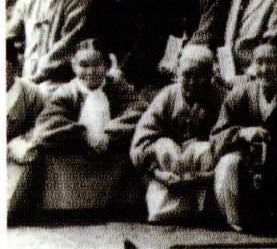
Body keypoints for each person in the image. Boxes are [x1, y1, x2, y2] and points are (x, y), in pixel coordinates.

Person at [211, 40, 277, 231]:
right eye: (259, 62)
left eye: (271, 62)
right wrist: (241, 133)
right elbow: (216, 137)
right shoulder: (240, 94)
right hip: (248, 176)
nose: (264, 69)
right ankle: (236, 223)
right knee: (228, 162)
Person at [28, 40, 142, 211]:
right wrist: (82, 134)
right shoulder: (65, 93)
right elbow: (46, 126)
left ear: (106, 66)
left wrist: (110, 133)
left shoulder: (118, 87)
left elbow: (138, 112)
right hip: (75, 163)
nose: (90, 71)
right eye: (83, 65)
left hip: (111, 161)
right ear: (74, 67)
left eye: (97, 65)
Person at [130, 44, 226, 223]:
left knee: (204, 149)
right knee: (164, 145)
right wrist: (158, 174)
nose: (192, 82)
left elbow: (228, 144)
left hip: (204, 175)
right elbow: (141, 141)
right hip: (167, 171)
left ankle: (202, 210)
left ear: (210, 76)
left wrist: (197, 177)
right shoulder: (167, 96)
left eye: (199, 76)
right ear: (177, 74)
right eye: (186, 75)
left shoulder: (222, 98)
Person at [7, 38, 46, 216]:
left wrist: (22, 140)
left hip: (17, 156)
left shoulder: (32, 94)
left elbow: (44, 124)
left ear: (15, 67)